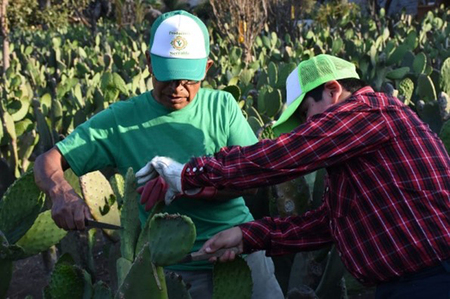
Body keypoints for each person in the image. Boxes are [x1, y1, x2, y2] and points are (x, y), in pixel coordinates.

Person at [136, 54, 450, 299]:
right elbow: (330, 223)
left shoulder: (370, 111)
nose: (305, 126)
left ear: (332, 90)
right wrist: (248, 236)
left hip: (433, 278)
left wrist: (189, 174)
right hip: (406, 281)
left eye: (305, 114)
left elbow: (284, 156)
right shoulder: (357, 147)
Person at [33, 10, 283, 299]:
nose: (177, 88)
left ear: (207, 67)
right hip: (169, 272)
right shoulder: (120, 120)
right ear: (149, 62)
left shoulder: (222, 107)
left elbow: (254, 179)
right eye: (167, 76)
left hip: (240, 253)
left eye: (188, 78)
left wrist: (189, 186)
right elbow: (47, 161)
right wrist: (61, 192)